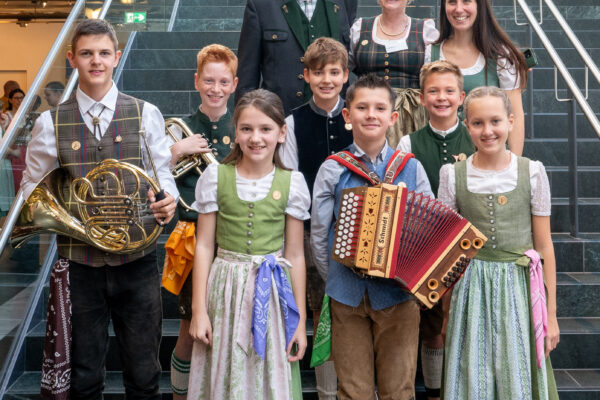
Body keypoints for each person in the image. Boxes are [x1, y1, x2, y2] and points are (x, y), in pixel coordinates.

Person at [20, 19, 178, 399]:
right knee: (84, 375)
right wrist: (65, 211)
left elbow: (163, 174)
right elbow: (31, 190)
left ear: (117, 57)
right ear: (72, 58)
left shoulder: (145, 113)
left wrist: (167, 200)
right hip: (79, 264)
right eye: (87, 53)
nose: (96, 61)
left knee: (144, 373)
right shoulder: (49, 123)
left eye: (104, 53)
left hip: (137, 261)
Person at [311, 73, 433, 399]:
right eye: (362, 107)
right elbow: (319, 236)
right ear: (347, 115)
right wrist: (338, 278)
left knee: (399, 389)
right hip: (346, 296)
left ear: (392, 117)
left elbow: (429, 231)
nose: (371, 115)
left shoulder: (411, 167)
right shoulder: (333, 168)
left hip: (398, 296)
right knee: (353, 390)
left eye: (380, 108)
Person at [438, 86, 559, 400]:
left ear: (511, 122)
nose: (487, 130)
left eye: (495, 121)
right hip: (471, 287)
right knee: (472, 373)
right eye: (478, 123)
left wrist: (551, 314)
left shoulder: (532, 172)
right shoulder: (452, 175)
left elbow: (544, 246)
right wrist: (447, 312)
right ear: (467, 126)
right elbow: (448, 250)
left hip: (519, 287)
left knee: (515, 372)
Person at [187, 89, 309, 400]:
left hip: (273, 293)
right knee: (225, 371)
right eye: (246, 129)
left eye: (265, 129)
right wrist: (199, 310)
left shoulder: (291, 183)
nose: (256, 138)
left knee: (269, 375)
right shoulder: (216, 177)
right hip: (225, 290)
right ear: (236, 133)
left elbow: (295, 254)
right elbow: (204, 246)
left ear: (281, 133)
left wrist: (300, 321)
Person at [279, 36, 353, 400]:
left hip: (355, 231)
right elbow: (291, 179)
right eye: (319, 73)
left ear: (345, 76)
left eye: (334, 72)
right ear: (306, 75)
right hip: (310, 233)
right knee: (319, 311)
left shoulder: (357, 114)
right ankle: (323, 390)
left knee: (347, 314)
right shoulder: (293, 122)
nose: (327, 80)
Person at [397, 60, 475, 400]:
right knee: (431, 324)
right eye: (433, 91)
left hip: (471, 249)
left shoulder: (476, 137)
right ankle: (433, 391)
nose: (441, 97)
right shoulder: (408, 143)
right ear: (421, 97)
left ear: (461, 97)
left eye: (448, 91)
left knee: (463, 323)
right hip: (425, 248)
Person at [164, 43, 238, 400]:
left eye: (223, 82)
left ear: (234, 84)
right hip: (191, 238)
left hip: (233, 237)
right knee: (188, 329)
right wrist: (177, 151)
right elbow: (154, 177)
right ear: (196, 81)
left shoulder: (241, 126)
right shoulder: (181, 129)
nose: (215, 88)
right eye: (209, 80)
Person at [428, 0, 528, 155]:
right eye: (452, 2)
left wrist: (515, 164)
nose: (459, 9)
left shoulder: (501, 56)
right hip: (440, 155)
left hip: (490, 156)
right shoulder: (430, 53)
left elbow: (515, 115)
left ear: (479, 5)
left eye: (466, 1)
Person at [234, 0, 357, 115]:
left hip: (335, 119)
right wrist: (245, 119)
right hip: (277, 118)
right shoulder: (260, 4)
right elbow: (246, 79)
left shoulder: (346, 2)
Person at [348, 0, 438, 148]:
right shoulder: (360, 28)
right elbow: (342, 70)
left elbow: (435, 79)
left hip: (411, 116)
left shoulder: (425, 31)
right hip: (368, 114)